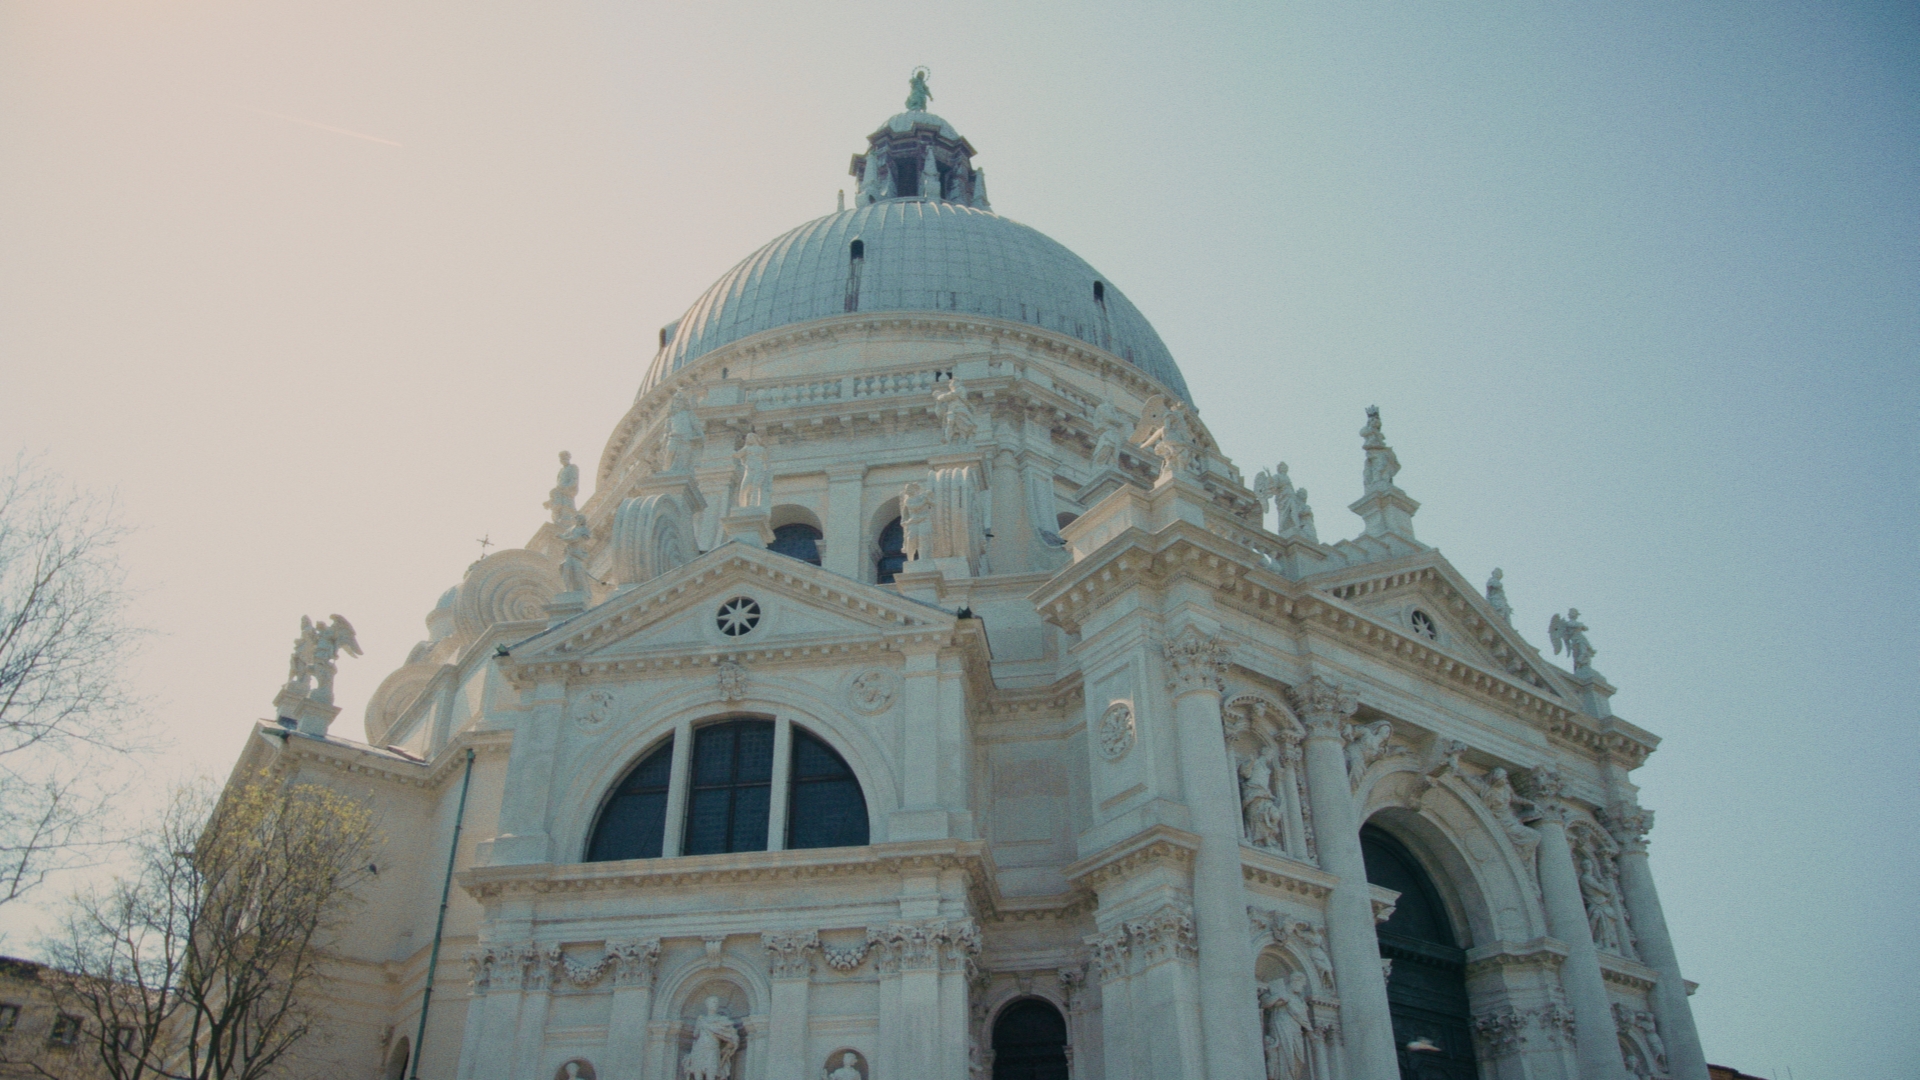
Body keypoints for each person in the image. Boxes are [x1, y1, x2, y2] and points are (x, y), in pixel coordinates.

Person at [684, 996, 739, 1080]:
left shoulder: (721, 1019)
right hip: (699, 1049)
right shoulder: (701, 1019)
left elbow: (730, 1035)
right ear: (707, 1004)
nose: (714, 1004)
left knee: (711, 1072)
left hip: (712, 1049)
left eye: (716, 1002)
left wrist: (727, 1046)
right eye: (712, 1002)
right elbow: (695, 1035)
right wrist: (701, 1024)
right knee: (697, 1072)